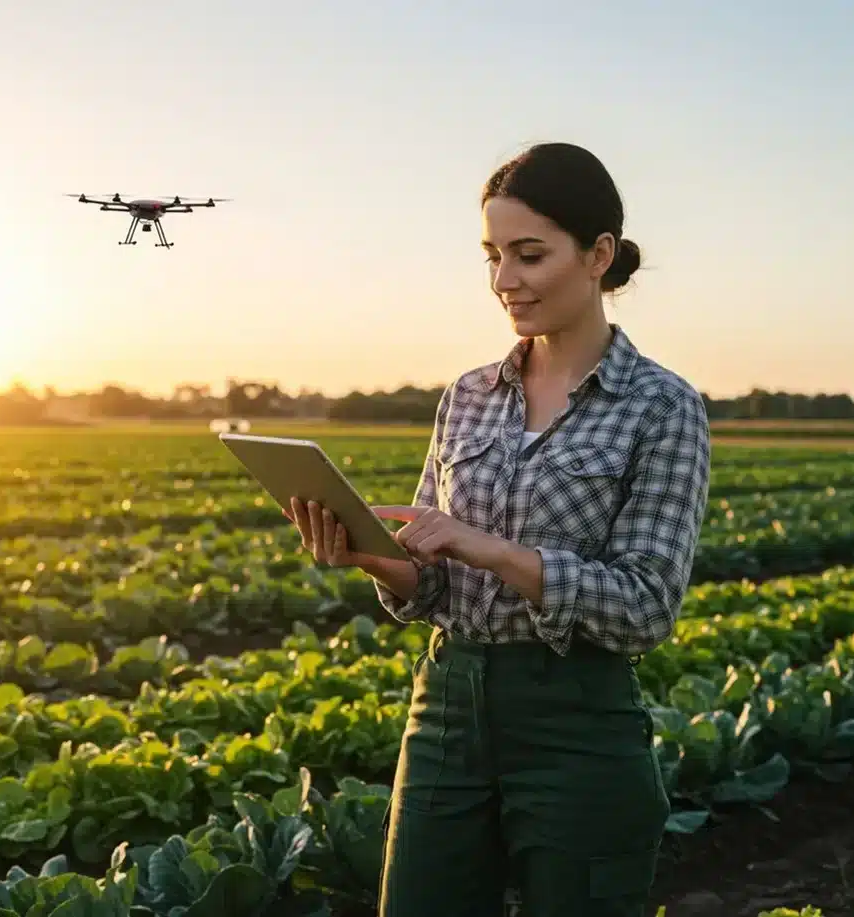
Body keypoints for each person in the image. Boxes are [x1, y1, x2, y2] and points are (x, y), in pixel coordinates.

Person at [286, 141, 712, 917]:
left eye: (528, 254)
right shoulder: (468, 396)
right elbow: (435, 580)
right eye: (491, 256)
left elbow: (647, 605)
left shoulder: (662, 406)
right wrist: (372, 556)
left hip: (578, 723)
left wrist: (491, 547)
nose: (504, 281)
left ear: (598, 255)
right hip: (448, 707)